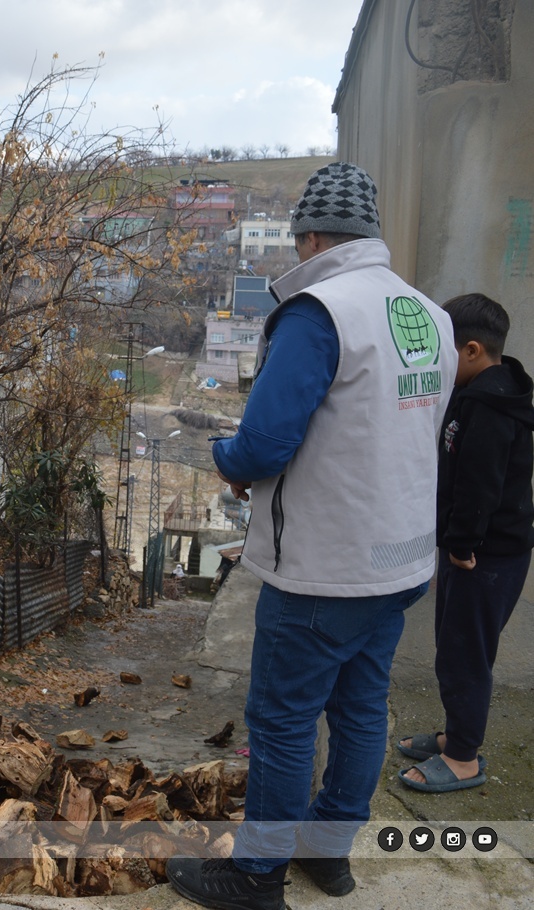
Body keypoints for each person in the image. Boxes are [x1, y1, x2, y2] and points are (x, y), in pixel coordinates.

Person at [166, 163, 456, 910]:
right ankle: (330, 855)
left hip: (326, 565)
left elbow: (263, 445)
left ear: (313, 235)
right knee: (361, 709)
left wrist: (225, 459)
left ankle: (257, 876)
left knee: (284, 720)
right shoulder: (426, 315)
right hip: (399, 560)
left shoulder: (318, 312)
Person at [397, 293, 534, 792]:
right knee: (453, 648)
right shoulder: (480, 392)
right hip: (477, 549)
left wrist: (460, 544)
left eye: (445, 352)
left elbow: (480, 485)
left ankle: (462, 758)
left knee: (465, 655)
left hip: (484, 555)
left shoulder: (491, 406)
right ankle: (455, 734)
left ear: (473, 350)